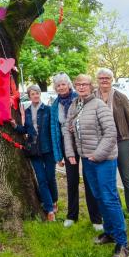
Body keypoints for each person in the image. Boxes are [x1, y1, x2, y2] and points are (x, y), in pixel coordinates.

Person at [64, 74, 129, 257]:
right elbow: (66, 128)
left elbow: (111, 133)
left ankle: (123, 244)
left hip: (103, 160)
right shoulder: (74, 105)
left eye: (84, 84)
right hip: (87, 160)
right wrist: (71, 152)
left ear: (90, 86)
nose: (81, 86)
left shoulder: (98, 106)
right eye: (78, 84)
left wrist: (98, 154)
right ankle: (109, 233)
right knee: (98, 195)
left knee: (109, 198)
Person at [50, 72, 102, 230]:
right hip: (68, 146)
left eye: (63, 84)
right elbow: (55, 129)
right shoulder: (54, 105)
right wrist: (58, 154)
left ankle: (96, 219)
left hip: (85, 143)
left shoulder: (79, 98)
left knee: (89, 180)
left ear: (68, 85)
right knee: (72, 181)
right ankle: (72, 216)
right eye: (58, 85)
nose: (61, 87)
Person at [96, 68, 129, 228]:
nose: (104, 80)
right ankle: (117, 212)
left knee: (126, 177)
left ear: (112, 79)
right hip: (102, 143)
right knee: (108, 180)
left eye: (107, 78)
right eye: (101, 78)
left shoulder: (120, 97)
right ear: (97, 80)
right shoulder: (93, 97)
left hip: (122, 140)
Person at [11, 84, 59, 221]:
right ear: (30, 96)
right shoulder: (26, 111)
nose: (35, 95)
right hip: (33, 150)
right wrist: (15, 126)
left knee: (50, 177)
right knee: (41, 180)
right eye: (32, 94)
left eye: (37, 93)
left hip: (48, 149)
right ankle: (50, 209)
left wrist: (57, 150)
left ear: (40, 94)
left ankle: (54, 200)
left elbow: (54, 130)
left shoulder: (49, 110)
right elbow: (26, 129)